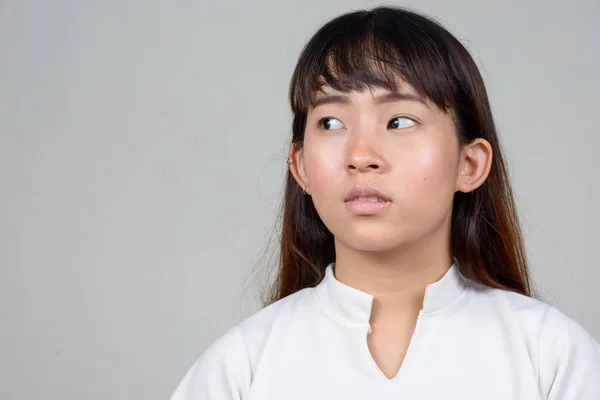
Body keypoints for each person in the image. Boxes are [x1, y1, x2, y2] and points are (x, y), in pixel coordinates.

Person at [170, 6, 600, 399]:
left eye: (399, 121)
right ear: (300, 166)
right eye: (331, 122)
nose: (361, 156)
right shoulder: (242, 367)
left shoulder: (550, 357)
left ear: (469, 163)